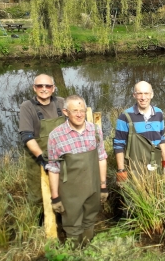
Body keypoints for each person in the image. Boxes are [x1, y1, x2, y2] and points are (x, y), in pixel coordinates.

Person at [46, 95, 108, 246]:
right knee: (72, 224)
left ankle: (88, 250)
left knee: (90, 219)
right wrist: (55, 197)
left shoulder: (95, 131)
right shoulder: (56, 136)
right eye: (75, 111)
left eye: (82, 110)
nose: (80, 114)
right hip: (70, 192)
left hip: (93, 187)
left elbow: (101, 157)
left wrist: (103, 186)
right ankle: (75, 255)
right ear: (66, 112)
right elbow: (53, 167)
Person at [18, 74, 65, 204]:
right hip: (38, 159)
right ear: (34, 88)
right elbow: (27, 137)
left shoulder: (61, 103)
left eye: (48, 86)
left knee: (64, 191)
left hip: (61, 157)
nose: (44, 89)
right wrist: (42, 159)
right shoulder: (27, 107)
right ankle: (39, 220)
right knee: (38, 195)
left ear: (53, 88)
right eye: (40, 86)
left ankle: (62, 219)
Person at [113, 81, 165, 182]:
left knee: (156, 193)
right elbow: (118, 145)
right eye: (139, 93)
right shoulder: (125, 116)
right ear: (134, 95)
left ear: (152, 94)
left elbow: (161, 138)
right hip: (134, 167)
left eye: (146, 93)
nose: (143, 97)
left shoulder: (159, 113)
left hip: (155, 164)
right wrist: (121, 170)